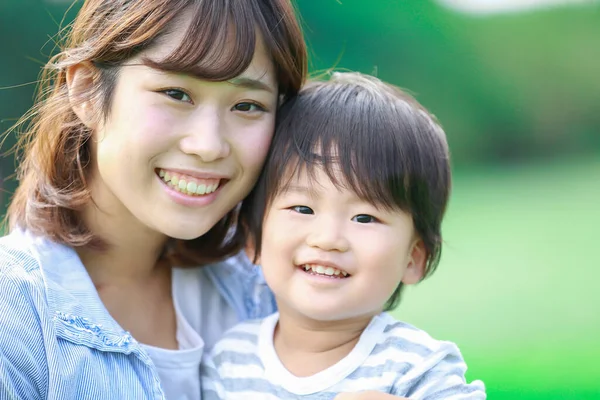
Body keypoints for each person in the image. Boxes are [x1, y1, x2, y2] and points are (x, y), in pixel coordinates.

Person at [0, 0, 306, 399]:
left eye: (247, 106)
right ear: (86, 90)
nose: (209, 146)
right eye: (176, 93)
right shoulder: (15, 313)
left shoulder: (270, 294)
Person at [201, 72, 487, 399]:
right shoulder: (230, 359)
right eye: (302, 209)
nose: (328, 238)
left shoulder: (419, 367)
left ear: (414, 257)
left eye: (364, 217)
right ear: (253, 240)